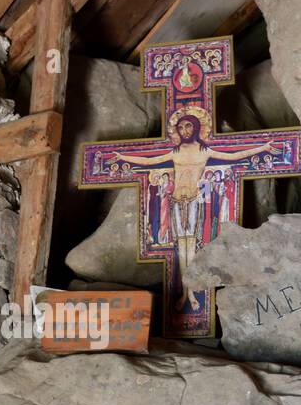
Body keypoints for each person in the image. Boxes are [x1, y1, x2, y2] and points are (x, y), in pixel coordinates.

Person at [112, 110, 275, 312]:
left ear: (196, 128)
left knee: (192, 248)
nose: (184, 130)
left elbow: (233, 155)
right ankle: (186, 293)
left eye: (188, 126)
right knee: (182, 249)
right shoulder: (175, 152)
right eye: (180, 127)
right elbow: (149, 161)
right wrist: (122, 156)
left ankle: (190, 292)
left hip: (194, 202)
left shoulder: (204, 151)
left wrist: (262, 148)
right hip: (175, 202)